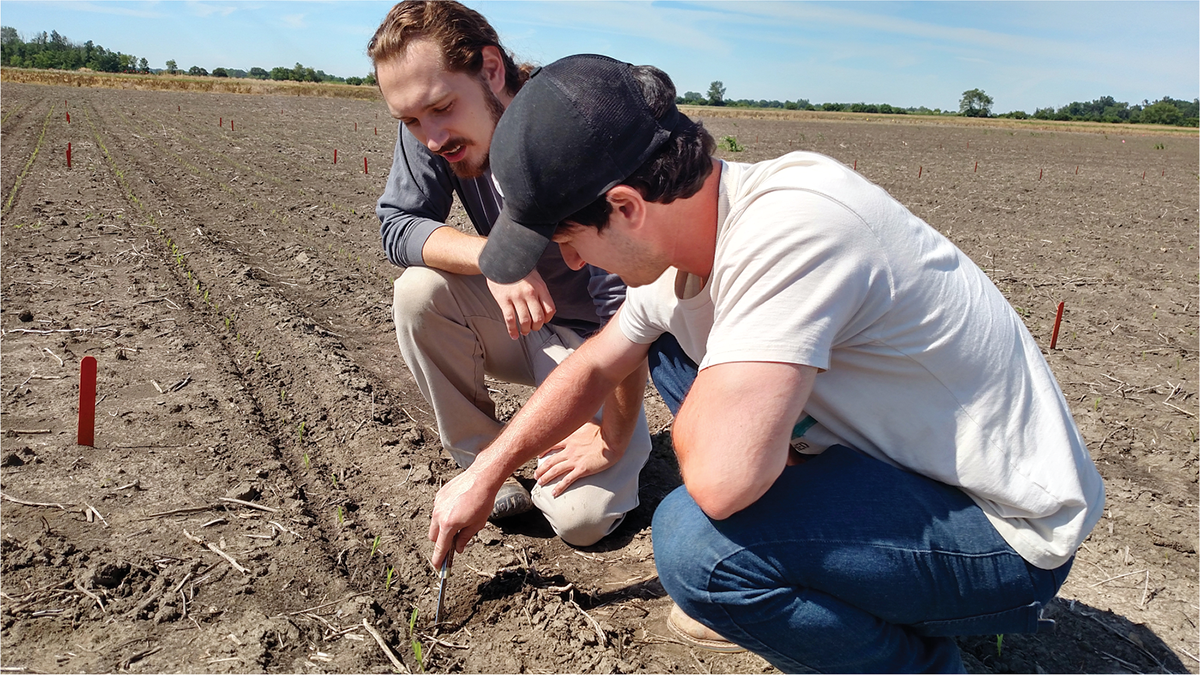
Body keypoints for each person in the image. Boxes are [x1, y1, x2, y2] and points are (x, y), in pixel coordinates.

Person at [429, 54, 1106, 672]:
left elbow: (721, 484)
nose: (571, 261)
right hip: (905, 470)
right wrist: (485, 474)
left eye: (569, 239)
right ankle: (824, 562)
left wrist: (728, 421)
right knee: (660, 341)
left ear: (626, 207)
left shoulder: (793, 228)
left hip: (1005, 530)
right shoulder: (687, 240)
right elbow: (595, 366)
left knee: (698, 547)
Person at [367, 2, 655, 548]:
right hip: (518, 322)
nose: (430, 138)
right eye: (409, 120)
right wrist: (492, 260)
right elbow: (397, 226)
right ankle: (481, 457)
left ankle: (540, 452)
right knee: (418, 291)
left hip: (597, 342)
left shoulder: (569, 125)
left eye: (441, 107)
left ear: (492, 69)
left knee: (582, 520)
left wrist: (611, 437)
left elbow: (626, 307)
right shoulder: (431, 130)